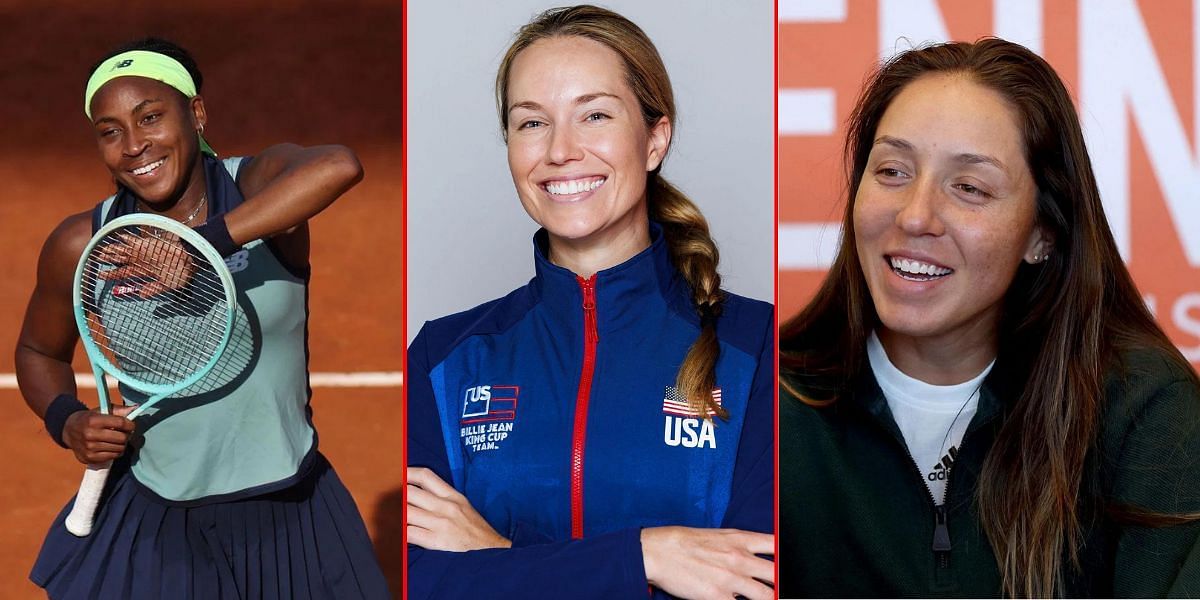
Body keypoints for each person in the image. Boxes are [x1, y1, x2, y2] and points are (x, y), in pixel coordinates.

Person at [778, 38, 1200, 597]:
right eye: (892, 171)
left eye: (969, 187)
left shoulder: (1145, 411)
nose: (916, 216)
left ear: (1042, 233)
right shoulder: (767, 397)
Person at [405, 5, 774, 599]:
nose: (560, 151)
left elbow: (754, 584)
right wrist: (646, 557)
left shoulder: (758, 348)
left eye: (594, 115)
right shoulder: (443, 359)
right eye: (531, 123)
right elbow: (419, 584)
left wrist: (496, 557)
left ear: (655, 139)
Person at [15, 38, 390, 599]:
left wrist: (201, 246)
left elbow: (340, 165)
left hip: (291, 513)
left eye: (150, 117)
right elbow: (38, 352)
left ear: (196, 113)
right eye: (110, 131)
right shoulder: (82, 244)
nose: (135, 145)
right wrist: (66, 420)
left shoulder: (257, 188)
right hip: (157, 520)